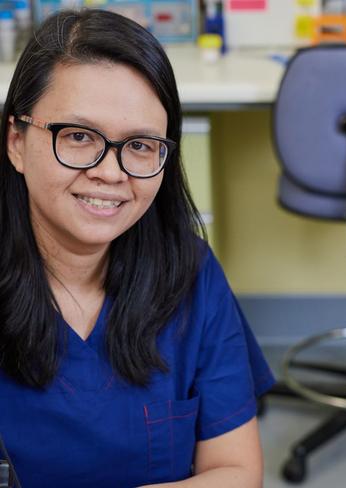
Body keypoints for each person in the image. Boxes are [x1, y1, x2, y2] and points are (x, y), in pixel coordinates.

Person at [0, 9, 274, 488]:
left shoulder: (188, 271)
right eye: (79, 137)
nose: (112, 172)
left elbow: (236, 472)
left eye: (142, 145)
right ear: (17, 142)